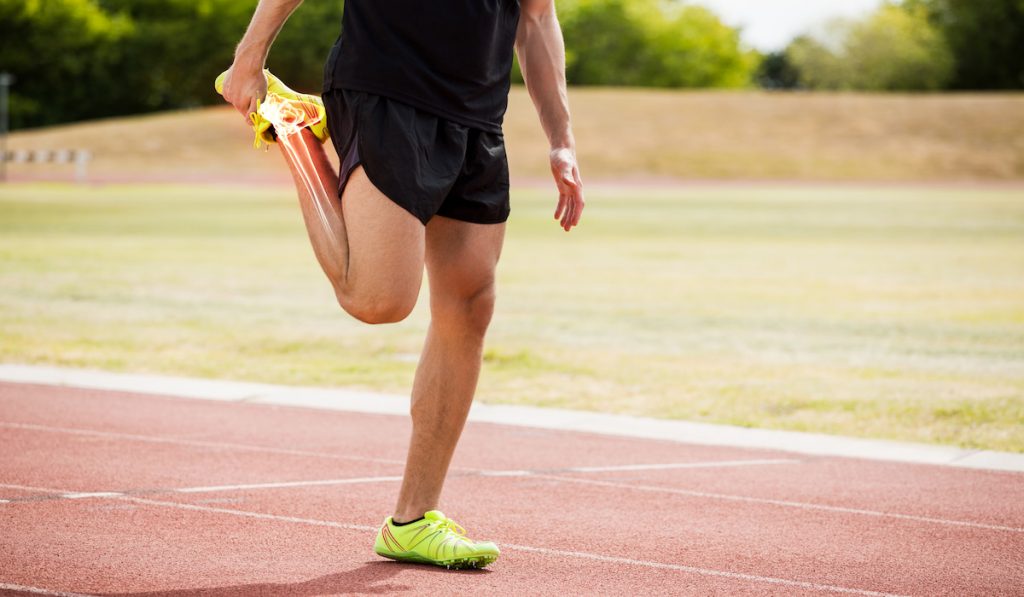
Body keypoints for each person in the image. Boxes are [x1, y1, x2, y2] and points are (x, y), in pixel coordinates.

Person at [217, 0, 584, 570]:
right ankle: (294, 134)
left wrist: (561, 138)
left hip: (477, 115)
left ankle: (413, 520)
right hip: (386, 91)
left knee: (470, 305)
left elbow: (536, 19)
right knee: (377, 299)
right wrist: (250, 54)